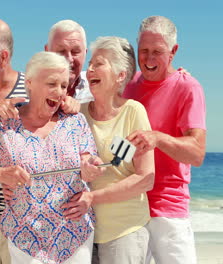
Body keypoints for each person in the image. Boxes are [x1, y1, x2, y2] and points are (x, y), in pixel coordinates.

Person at [0, 18, 83, 264]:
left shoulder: (34, 82)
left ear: (3, 57)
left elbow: (56, 119)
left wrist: (70, 103)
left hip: (28, 219)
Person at [62, 36, 155, 264]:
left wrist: (92, 197)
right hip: (82, 233)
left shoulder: (133, 112)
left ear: (120, 75)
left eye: (99, 64)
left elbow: (146, 179)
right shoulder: (77, 114)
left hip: (124, 231)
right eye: (90, 63)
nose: (90, 69)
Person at [123, 16, 207, 264]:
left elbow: (197, 152)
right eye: (143, 51)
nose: (148, 60)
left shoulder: (188, 87)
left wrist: (158, 138)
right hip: (130, 205)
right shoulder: (126, 84)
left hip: (168, 209)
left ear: (173, 52)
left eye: (157, 52)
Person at [45, 19, 93, 103]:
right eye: (61, 51)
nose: (69, 59)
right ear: (47, 51)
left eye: (75, 52)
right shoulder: (30, 89)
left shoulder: (96, 89)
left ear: (85, 53)